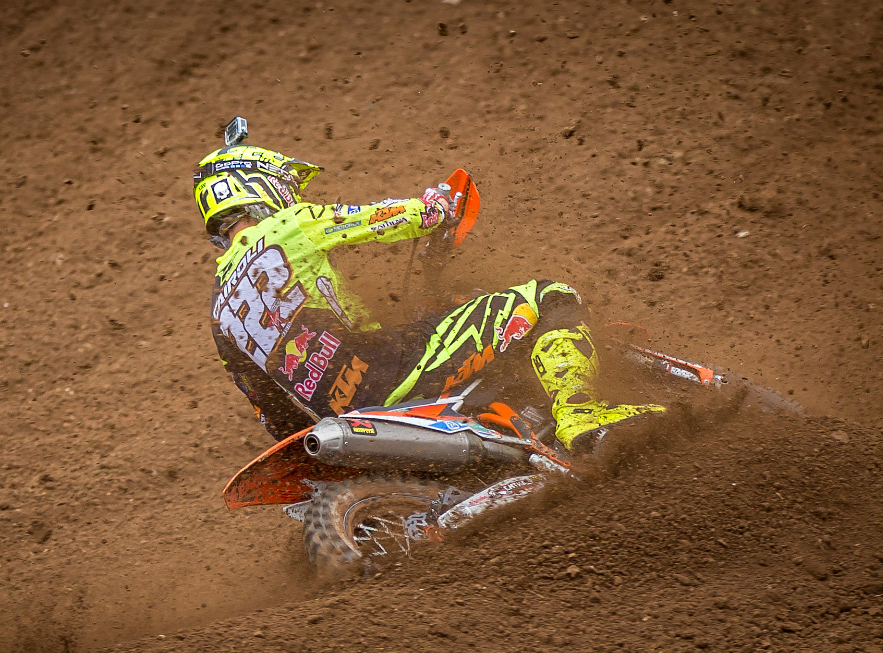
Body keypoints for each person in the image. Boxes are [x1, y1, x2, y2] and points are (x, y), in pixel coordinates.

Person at [194, 141, 663, 454]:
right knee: (549, 295)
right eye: (287, 185)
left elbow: (269, 409)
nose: (292, 193)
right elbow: (389, 218)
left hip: (348, 416)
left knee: (437, 317)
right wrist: (436, 207)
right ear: (259, 185)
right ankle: (582, 415)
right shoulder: (288, 225)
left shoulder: (218, 311)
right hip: (398, 370)